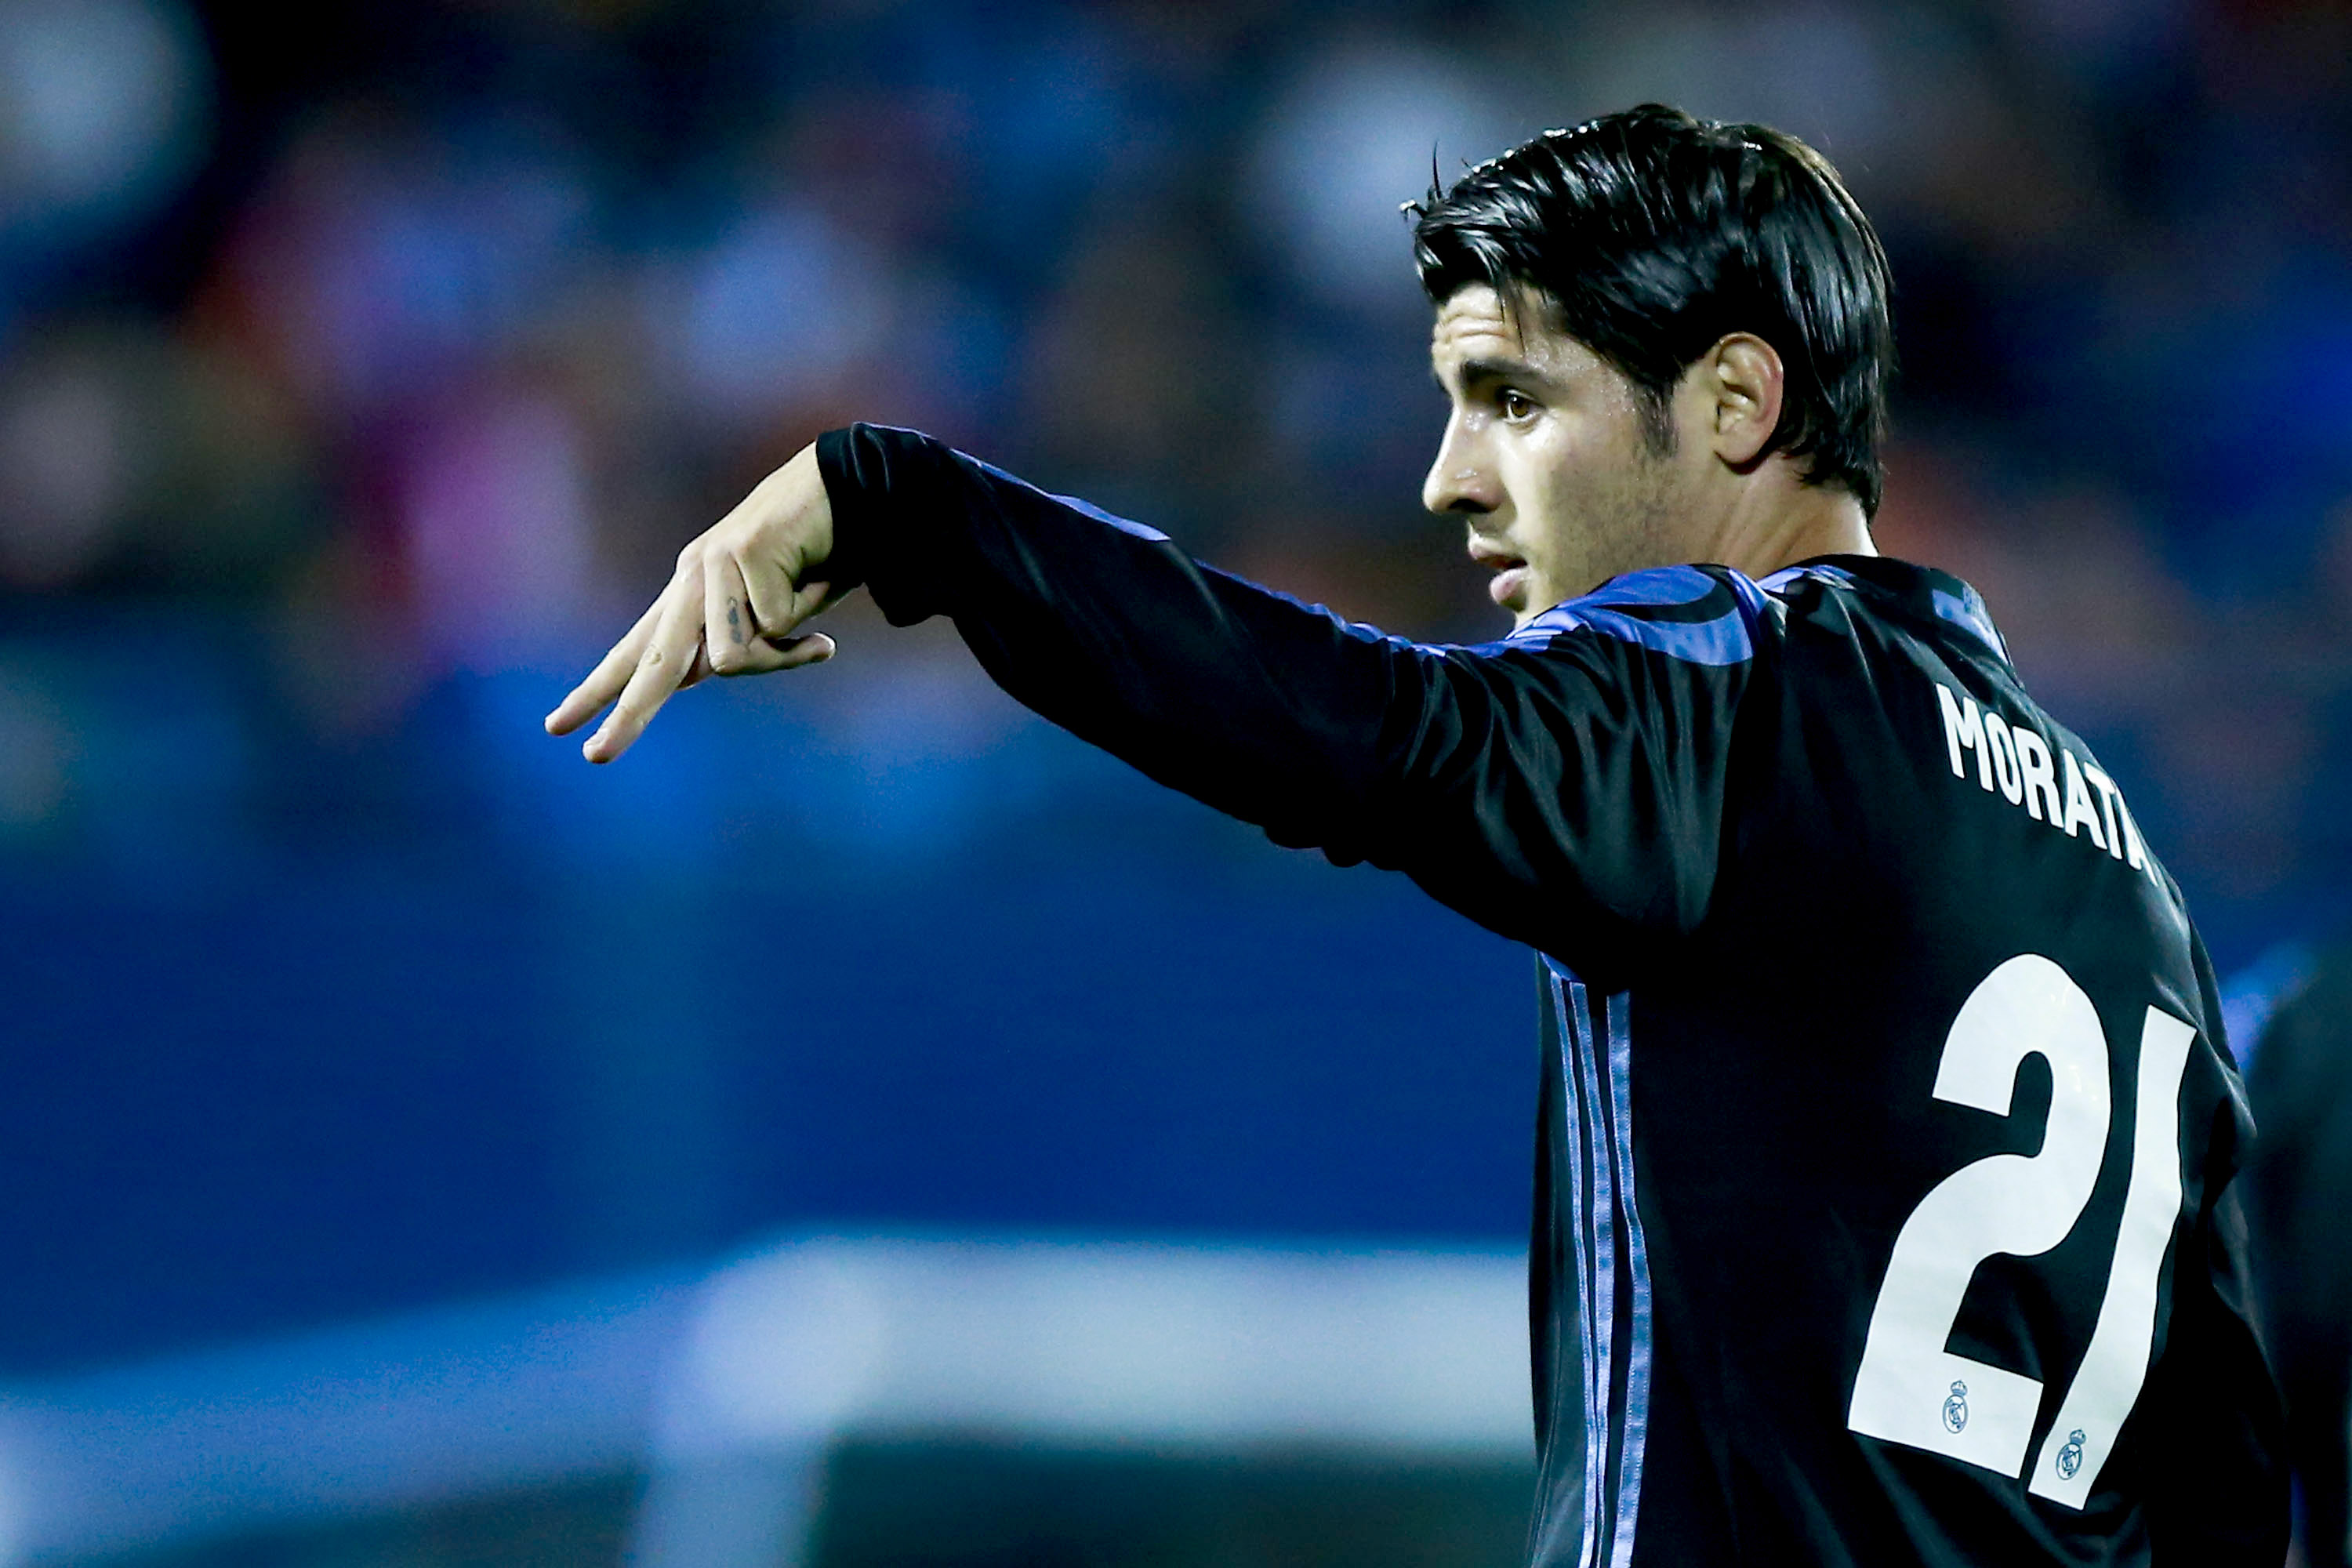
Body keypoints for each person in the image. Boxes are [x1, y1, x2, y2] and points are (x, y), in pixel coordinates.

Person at [545, 106, 2285, 1566]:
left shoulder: (1730, 682)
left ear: (1739, 404)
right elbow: (2225, 1475)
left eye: (1515, 400)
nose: (1450, 478)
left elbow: (1368, 739)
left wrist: (904, 506)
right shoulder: (2134, 883)